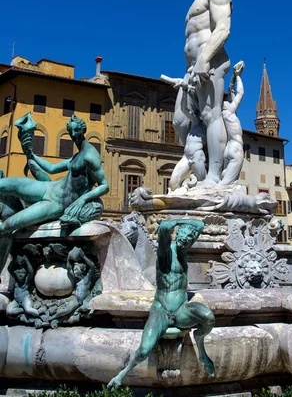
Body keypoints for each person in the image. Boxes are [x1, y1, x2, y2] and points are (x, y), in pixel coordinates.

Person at [108, 219, 215, 387]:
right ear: (177, 235)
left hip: (181, 310)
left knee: (208, 317)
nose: (184, 243)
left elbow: (201, 225)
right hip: (162, 310)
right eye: (182, 238)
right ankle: (122, 374)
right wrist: (177, 222)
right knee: (144, 350)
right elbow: (165, 227)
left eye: (188, 241)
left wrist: (184, 226)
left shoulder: (183, 250)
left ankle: (200, 347)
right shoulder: (165, 253)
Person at [0, 114, 109, 278]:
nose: (74, 135)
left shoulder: (90, 156)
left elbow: (105, 185)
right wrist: (30, 154)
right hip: (49, 187)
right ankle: (12, 210)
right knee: (3, 184)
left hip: (57, 203)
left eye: (77, 130)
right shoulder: (77, 155)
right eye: (71, 131)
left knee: (6, 227)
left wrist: (83, 199)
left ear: (83, 130)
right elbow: (51, 168)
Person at [172, 0, 232, 187]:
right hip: (191, 69)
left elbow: (223, 28)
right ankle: (200, 167)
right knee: (180, 120)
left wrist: (205, 58)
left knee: (211, 114)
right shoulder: (194, 2)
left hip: (211, 61)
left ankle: (215, 177)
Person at [220, 61, 244, 186]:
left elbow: (232, 92)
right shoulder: (230, 110)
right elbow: (240, 93)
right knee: (227, 184)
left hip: (227, 150)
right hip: (236, 147)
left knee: (225, 176)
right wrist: (238, 76)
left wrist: (232, 79)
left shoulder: (224, 114)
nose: (231, 101)